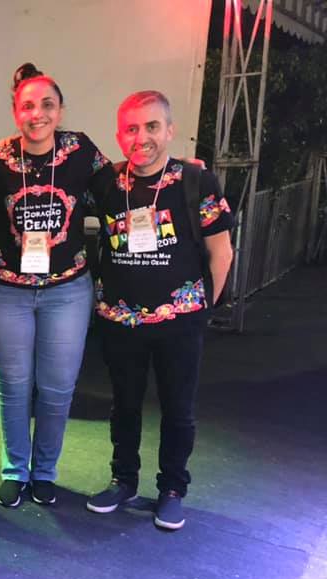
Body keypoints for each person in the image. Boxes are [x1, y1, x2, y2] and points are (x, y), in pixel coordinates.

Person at [86, 90, 233, 530]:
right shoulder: (106, 183)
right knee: (124, 406)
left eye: (152, 126)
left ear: (169, 130)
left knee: (178, 409)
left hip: (180, 322)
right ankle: (123, 480)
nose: (141, 137)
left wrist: (202, 309)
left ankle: (172, 489)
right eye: (131, 129)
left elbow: (221, 251)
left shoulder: (196, 182)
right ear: (119, 135)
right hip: (120, 321)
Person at [0, 62, 114, 509]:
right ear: (14, 111)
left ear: (60, 110)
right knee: (14, 386)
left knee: (57, 388)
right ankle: (14, 470)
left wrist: (178, 172)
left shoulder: (80, 151)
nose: (36, 114)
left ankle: (44, 472)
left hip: (66, 291)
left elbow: (119, 188)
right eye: (27, 106)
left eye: (47, 105)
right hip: (6, 290)